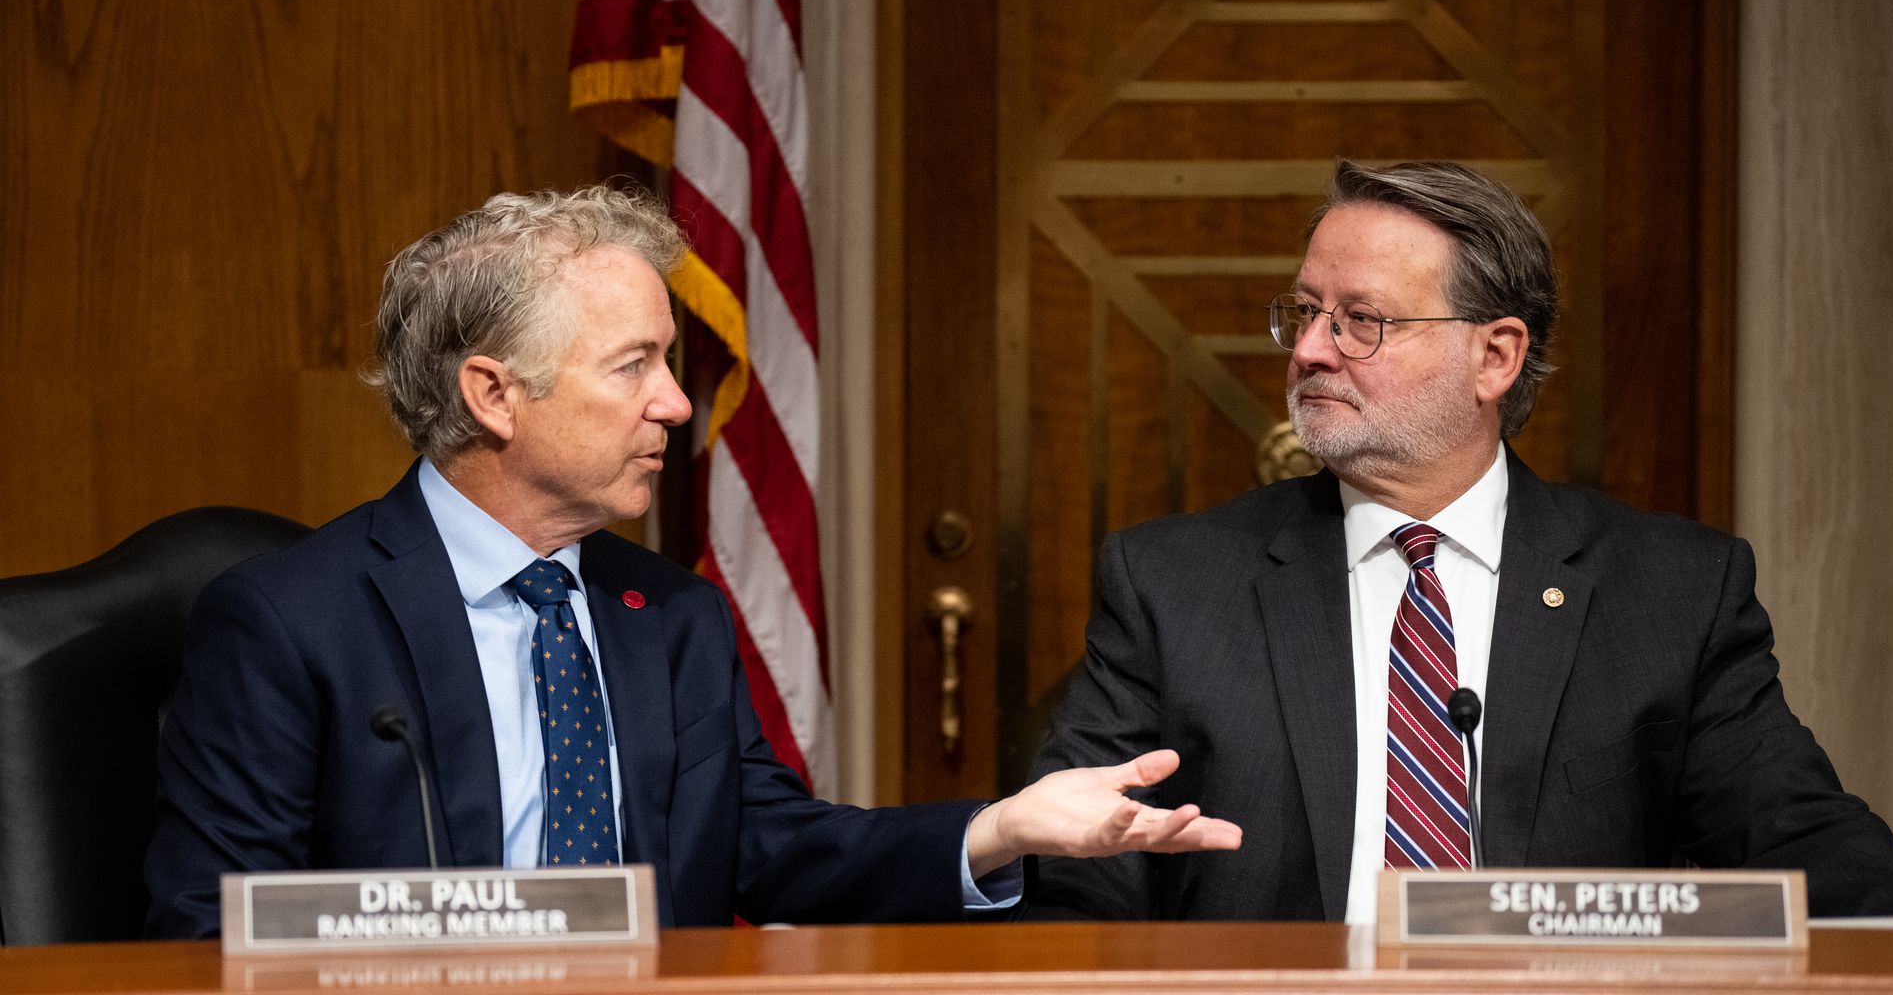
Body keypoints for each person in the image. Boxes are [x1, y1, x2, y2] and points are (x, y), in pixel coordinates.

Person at [145, 187, 1240, 938]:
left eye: (668, 362)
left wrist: (1000, 829)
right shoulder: (292, 620)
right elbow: (210, 930)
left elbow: (770, 849)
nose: (675, 402)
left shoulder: (667, 614)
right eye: (635, 365)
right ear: (493, 395)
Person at [1025, 159, 1893, 923]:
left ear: (1495, 356)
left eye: (1362, 320)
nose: (1311, 351)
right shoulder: (1171, 585)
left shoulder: (1669, 591)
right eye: (1305, 312)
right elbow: (1075, 871)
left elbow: (1802, 842)